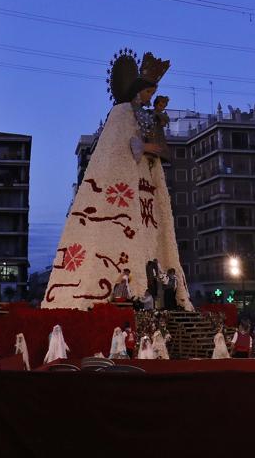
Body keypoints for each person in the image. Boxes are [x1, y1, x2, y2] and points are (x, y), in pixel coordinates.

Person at [42, 50, 191, 311]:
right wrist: (146, 147)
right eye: (147, 93)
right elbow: (129, 147)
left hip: (145, 189)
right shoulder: (122, 114)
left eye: (152, 94)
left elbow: (146, 143)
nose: (149, 98)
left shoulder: (144, 117)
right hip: (123, 196)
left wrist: (152, 145)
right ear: (135, 90)